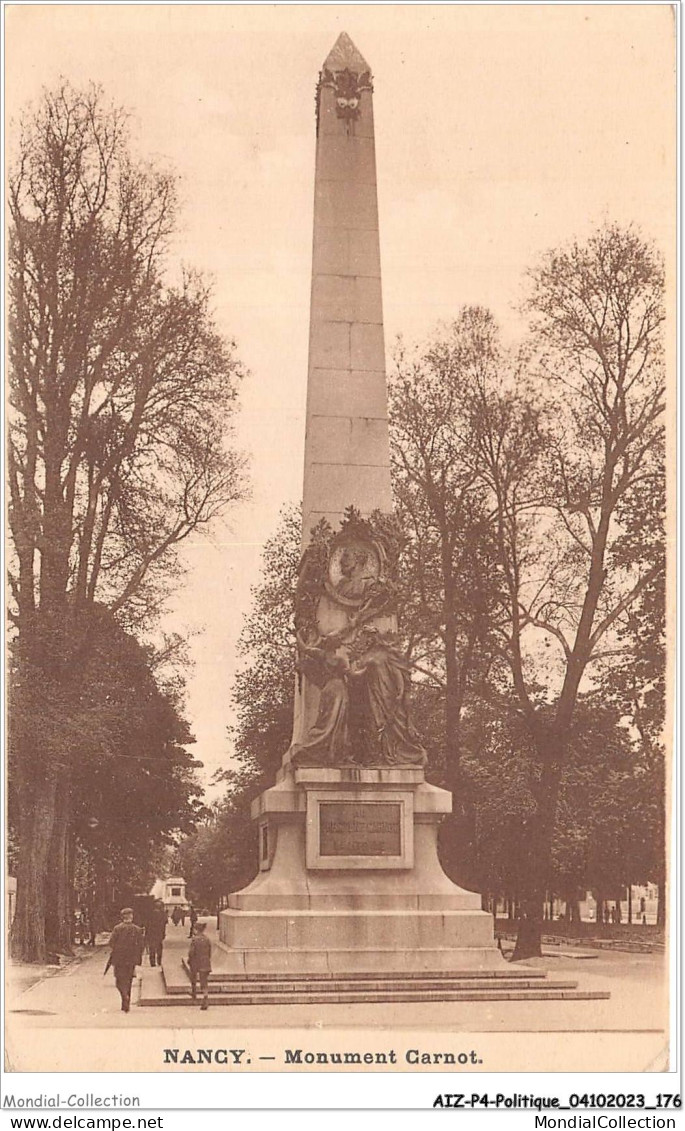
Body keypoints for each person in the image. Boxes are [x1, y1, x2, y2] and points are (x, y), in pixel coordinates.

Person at [106, 908, 143, 1013]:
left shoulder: (117, 928)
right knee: (129, 981)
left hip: (119, 960)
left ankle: (124, 997)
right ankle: (126, 1005)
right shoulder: (137, 929)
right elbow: (141, 946)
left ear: (122, 917)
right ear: (131, 917)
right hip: (131, 960)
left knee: (119, 981)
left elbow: (111, 943)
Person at [187, 921, 212, 1010]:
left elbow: (191, 952)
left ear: (196, 930)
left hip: (196, 962)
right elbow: (209, 952)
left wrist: (189, 959)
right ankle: (205, 998)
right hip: (205, 962)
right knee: (204, 982)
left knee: (193, 977)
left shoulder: (195, 939)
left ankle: (194, 992)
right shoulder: (207, 939)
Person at [145, 899, 167, 967]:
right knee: (159, 947)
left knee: (152, 948)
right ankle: (159, 961)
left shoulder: (150, 914)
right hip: (159, 933)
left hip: (151, 933)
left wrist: (146, 934)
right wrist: (163, 934)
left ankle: (152, 962)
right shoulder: (162, 914)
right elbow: (163, 925)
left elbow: (147, 925)